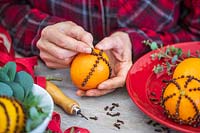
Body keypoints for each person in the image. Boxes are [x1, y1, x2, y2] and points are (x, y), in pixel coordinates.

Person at [0, 0, 200, 97]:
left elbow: (196, 32)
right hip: (54, 83)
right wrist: (40, 31)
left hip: (155, 90)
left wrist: (136, 44)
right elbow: (7, 6)